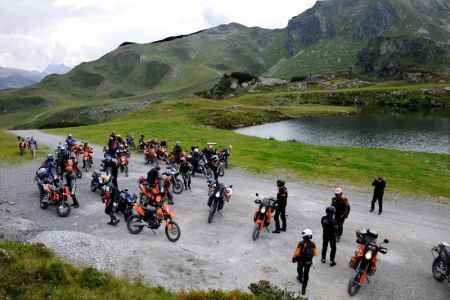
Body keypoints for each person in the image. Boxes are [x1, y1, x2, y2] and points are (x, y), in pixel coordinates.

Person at [292, 228, 318, 295]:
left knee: (299, 270)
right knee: (306, 274)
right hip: (308, 262)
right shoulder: (313, 244)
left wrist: (294, 258)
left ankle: (300, 278)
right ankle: (303, 290)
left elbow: (297, 253)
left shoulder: (301, 243)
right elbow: (315, 254)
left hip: (301, 261)